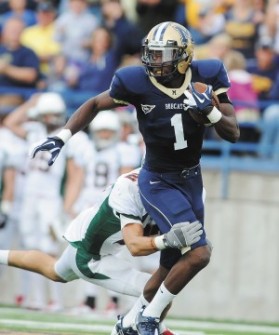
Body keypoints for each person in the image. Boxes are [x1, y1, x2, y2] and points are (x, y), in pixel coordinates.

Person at [31, 21, 240, 335]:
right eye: (152, 54)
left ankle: (128, 326)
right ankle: (147, 319)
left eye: (163, 55)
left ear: (184, 56)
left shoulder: (207, 74)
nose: (155, 62)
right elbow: (93, 104)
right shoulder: (134, 81)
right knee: (199, 252)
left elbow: (233, 132)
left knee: (171, 265)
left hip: (192, 180)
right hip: (158, 178)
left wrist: (209, 112)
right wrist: (63, 136)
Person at [0, 168, 203, 335]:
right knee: (159, 290)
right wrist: (167, 240)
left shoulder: (165, 181)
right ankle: (126, 328)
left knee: (54, 271)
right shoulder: (132, 189)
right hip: (88, 254)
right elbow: (135, 246)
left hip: (89, 240)